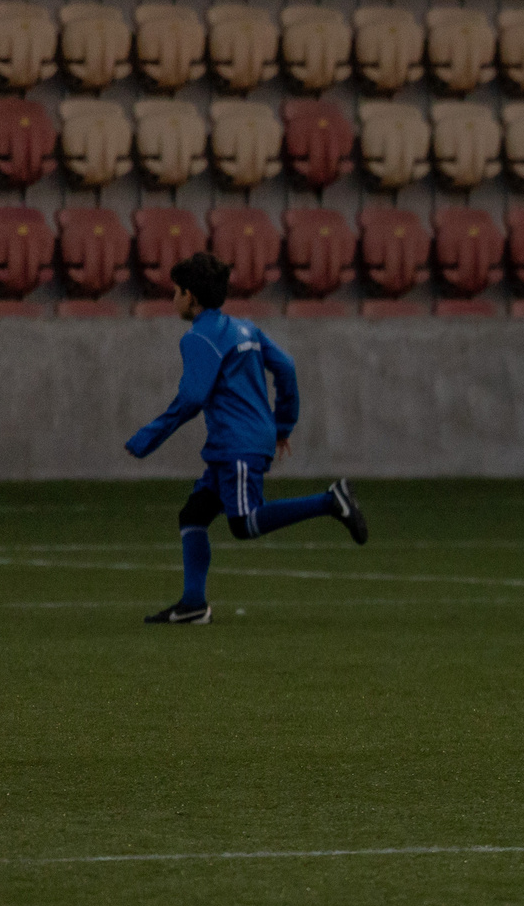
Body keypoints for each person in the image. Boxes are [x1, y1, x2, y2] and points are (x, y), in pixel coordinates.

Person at [124, 253, 369, 626]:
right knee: (194, 515)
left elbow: (192, 397)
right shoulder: (246, 329)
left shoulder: (199, 338)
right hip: (245, 439)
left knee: (245, 523)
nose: (173, 299)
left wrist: (148, 437)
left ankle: (329, 501)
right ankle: (193, 604)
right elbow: (285, 367)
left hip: (235, 444)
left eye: (175, 292)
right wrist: (282, 425)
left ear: (190, 296)